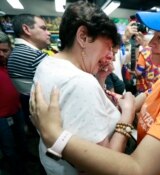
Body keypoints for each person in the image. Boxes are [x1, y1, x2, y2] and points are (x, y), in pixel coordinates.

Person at [30, 0, 160, 174]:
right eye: (154, 35)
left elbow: (137, 168)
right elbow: (131, 102)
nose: (150, 44)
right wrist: (108, 94)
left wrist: (55, 136)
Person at [31, 2, 135, 175]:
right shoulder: (80, 81)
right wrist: (128, 115)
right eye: (107, 46)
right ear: (83, 37)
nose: (108, 56)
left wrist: (100, 79)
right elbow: (105, 165)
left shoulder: (48, 63)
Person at [7, 14, 51, 134]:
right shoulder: (34, 56)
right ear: (26, 29)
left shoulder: (16, 53)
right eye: (43, 28)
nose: (49, 33)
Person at [0, 31, 27, 175]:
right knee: (8, 146)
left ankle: (25, 158)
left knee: (21, 139)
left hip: (16, 110)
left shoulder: (10, 64)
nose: (1, 54)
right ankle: (18, 170)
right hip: (1, 117)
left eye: (5, 50)